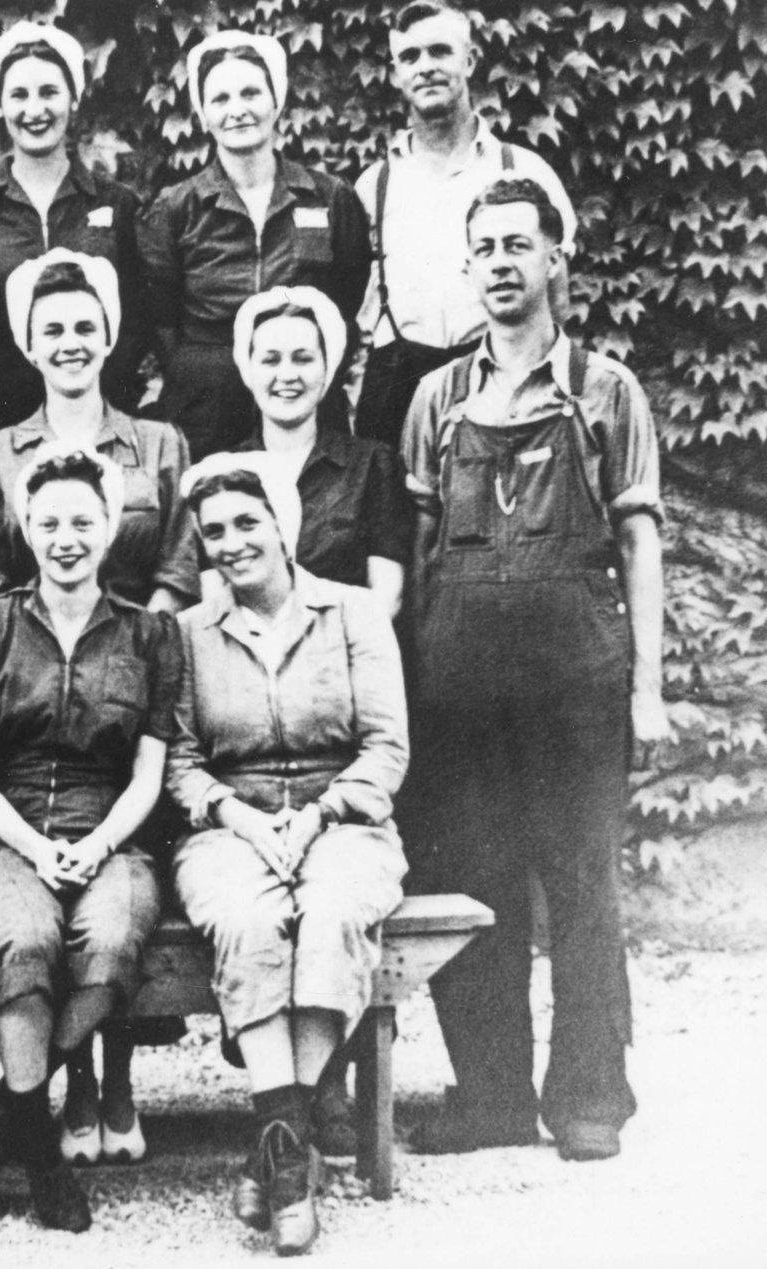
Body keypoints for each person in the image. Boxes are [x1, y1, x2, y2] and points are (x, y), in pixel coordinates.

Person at [399, 178, 665, 1163]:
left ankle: (591, 1097)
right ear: (467, 269)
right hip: (460, 688)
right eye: (485, 248)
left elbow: (638, 544)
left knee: (582, 887)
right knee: (474, 885)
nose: (502, 263)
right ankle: (491, 1097)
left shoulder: (604, 389)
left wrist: (645, 688)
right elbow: (419, 555)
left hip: (576, 681)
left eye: (521, 244)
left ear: (558, 257)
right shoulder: (437, 397)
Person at [167, 453, 408, 1256]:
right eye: (215, 533)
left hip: (343, 819)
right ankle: (292, 1141)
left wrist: (318, 815)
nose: (232, 543)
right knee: (247, 918)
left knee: (333, 911)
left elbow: (384, 747)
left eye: (246, 522)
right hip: (231, 828)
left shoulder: (353, 614)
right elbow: (178, 759)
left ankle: (277, 1141)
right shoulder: (190, 635)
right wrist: (234, 811)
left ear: (282, 523)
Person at [0, 448, 183, 1232]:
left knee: (112, 939)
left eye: (83, 520)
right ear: (25, 527)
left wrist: (101, 841)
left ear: (109, 527)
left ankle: (15, 1106)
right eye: (49, 521)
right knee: (24, 937)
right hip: (5, 831)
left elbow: (149, 774)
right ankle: (44, 1160)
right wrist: (38, 848)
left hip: (111, 832)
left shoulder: (150, 634)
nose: (66, 536)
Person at [354, 0, 576, 450]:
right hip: (397, 386)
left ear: (469, 60)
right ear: (397, 74)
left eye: (440, 51)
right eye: (410, 58)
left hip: (498, 381)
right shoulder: (373, 184)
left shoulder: (523, 171)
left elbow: (558, 303)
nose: (426, 67)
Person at [138, 31, 370, 459]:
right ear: (203, 115)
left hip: (302, 395)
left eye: (250, 93)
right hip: (207, 405)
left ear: (276, 102)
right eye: (220, 99)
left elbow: (346, 301)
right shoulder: (175, 208)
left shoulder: (330, 197)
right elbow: (160, 317)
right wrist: (205, 373)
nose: (237, 110)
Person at [0, 249, 198, 612]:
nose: (71, 345)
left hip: (141, 653)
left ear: (108, 340)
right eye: (53, 332)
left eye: (85, 328)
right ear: (30, 347)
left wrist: (137, 644)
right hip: (27, 656)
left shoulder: (161, 443)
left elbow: (179, 569)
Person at [0, 20, 147, 451]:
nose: (34, 109)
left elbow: (137, 319)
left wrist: (102, 391)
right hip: (2, 429)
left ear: (74, 99)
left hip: (103, 425)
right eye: (18, 94)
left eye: (49, 92)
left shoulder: (119, 206)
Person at [231, 285, 413, 611]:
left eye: (303, 359)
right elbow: (216, 599)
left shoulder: (371, 465)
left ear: (326, 369)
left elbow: (387, 596)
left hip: (345, 655)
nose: (287, 375)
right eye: (270, 360)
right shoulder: (224, 471)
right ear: (248, 371)